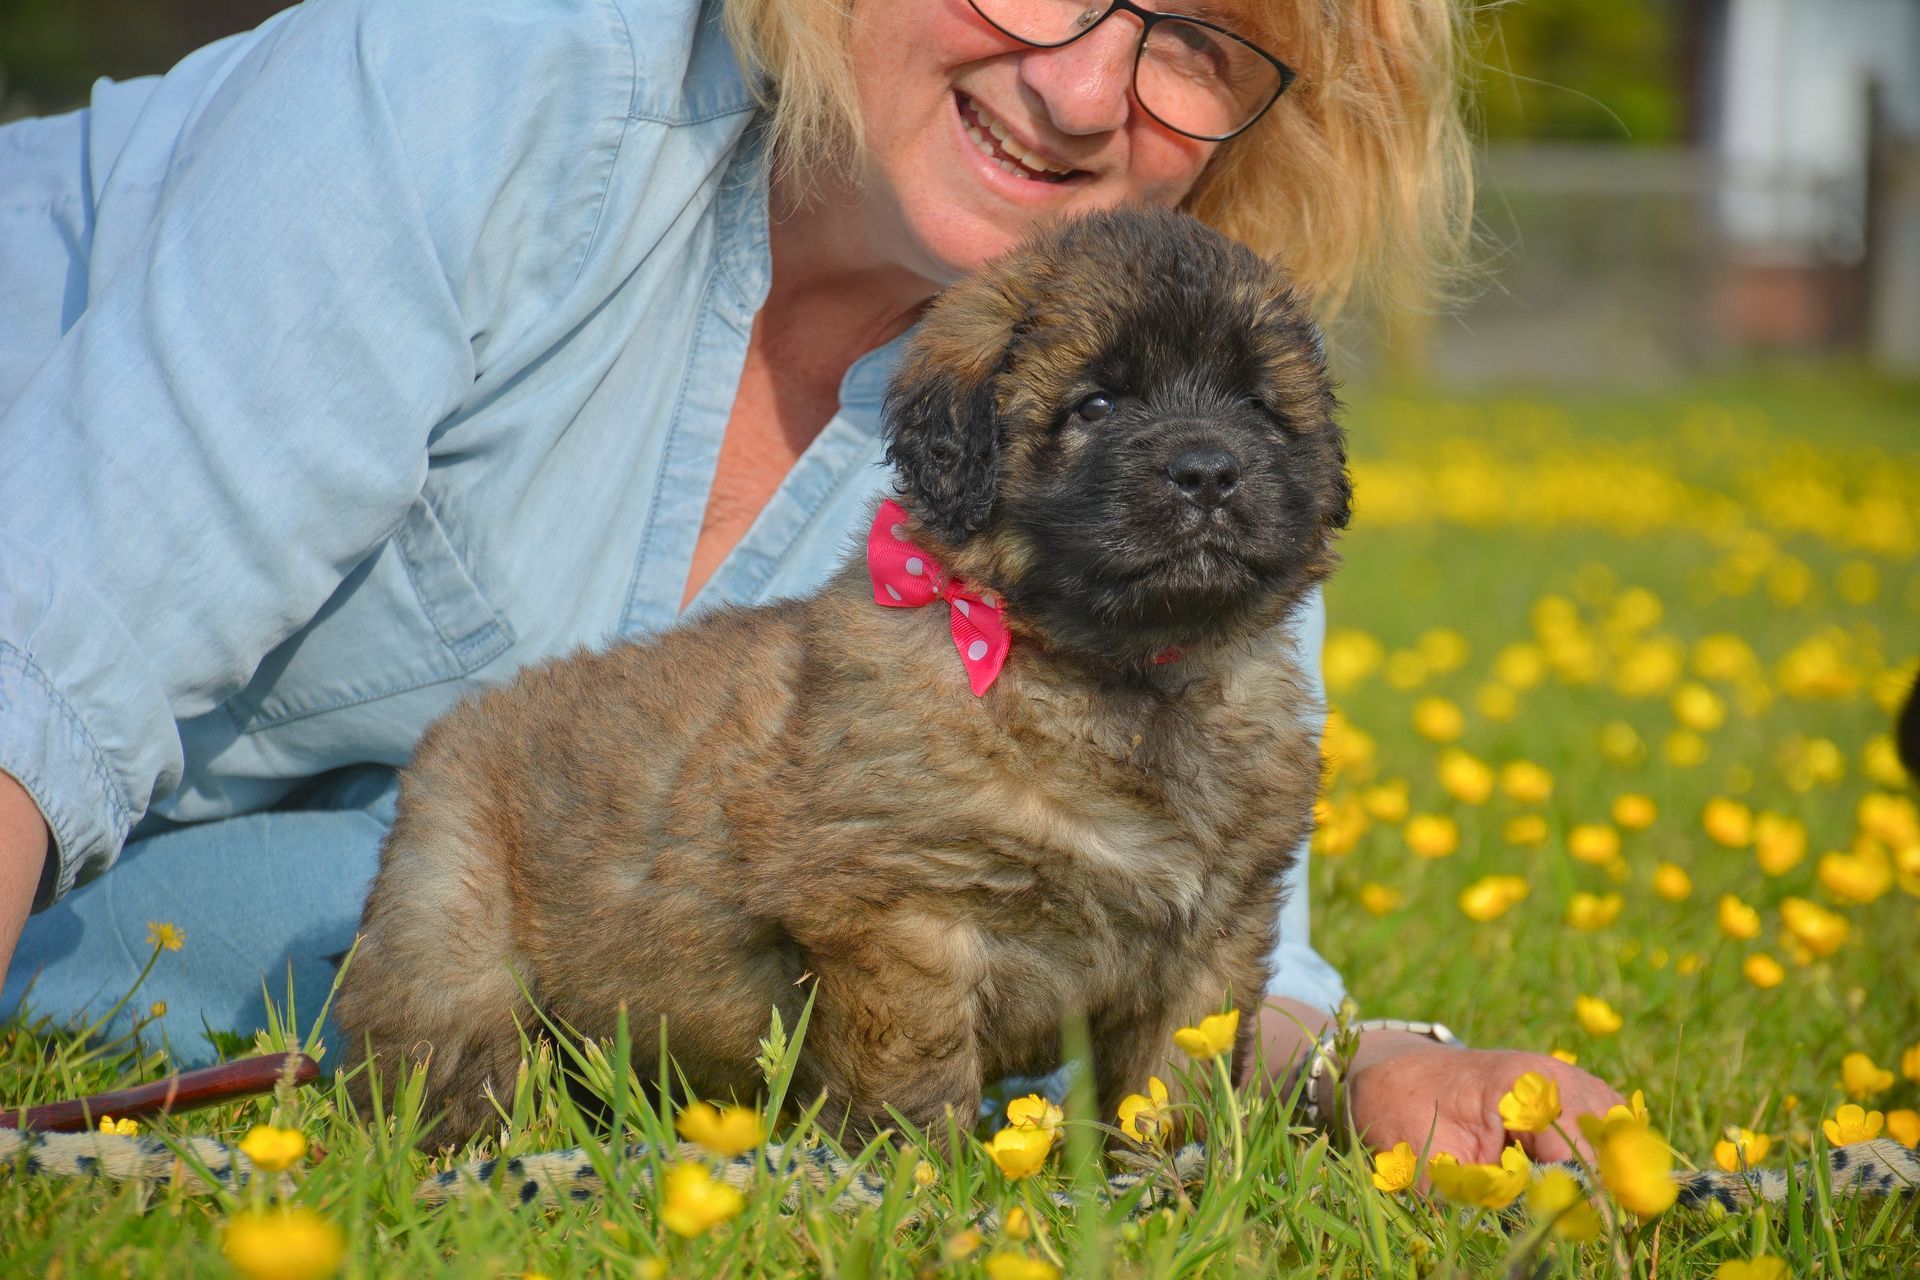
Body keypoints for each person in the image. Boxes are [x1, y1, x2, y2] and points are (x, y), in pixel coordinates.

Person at [0, 0, 1622, 1164]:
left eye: (1191, 36)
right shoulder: (477, 83)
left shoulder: (1176, 452)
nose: (1075, 88)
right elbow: (40, 659)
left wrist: (1394, 1074)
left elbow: (1187, 939)